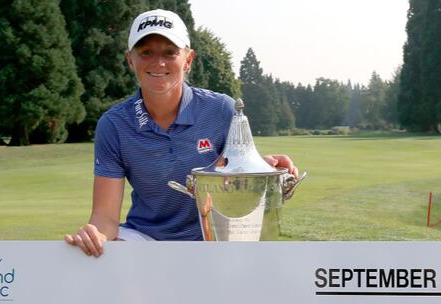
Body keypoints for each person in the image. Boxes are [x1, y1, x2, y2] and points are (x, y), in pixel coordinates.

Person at [65, 9, 297, 256]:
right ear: (130, 60)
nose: (158, 62)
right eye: (146, 52)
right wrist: (96, 235)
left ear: (188, 59)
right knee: (107, 257)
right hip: (145, 235)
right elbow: (105, 216)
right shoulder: (114, 124)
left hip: (213, 234)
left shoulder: (220, 109)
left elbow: (237, 172)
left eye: (169, 52)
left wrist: (263, 168)